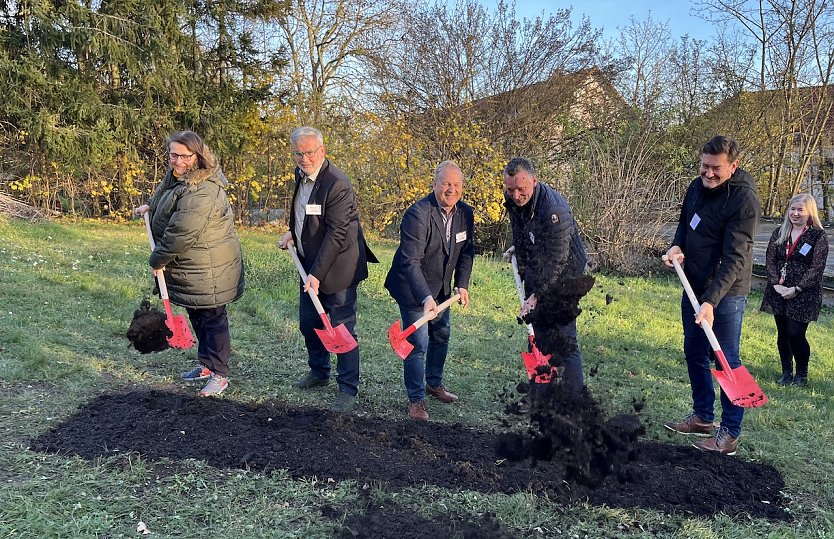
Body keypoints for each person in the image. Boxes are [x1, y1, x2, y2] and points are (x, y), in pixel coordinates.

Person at [663, 135, 761, 455]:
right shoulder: (696, 186)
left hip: (726, 291)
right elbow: (685, 223)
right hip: (693, 283)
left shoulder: (743, 200)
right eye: (704, 166)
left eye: (716, 168)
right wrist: (678, 246)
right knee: (694, 350)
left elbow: (736, 258)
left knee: (725, 358)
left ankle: (730, 433)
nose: (708, 174)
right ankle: (703, 416)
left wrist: (711, 301)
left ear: (733, 166)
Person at [134, 131, 245, 397]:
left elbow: (181, 232)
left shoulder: (203, 189)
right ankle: (207, 366)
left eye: (184, 155)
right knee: (198, 313)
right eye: (174, 154)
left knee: (213, 318)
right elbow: (166, 197)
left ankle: (220, 374)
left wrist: (158, 259)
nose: (178, 160)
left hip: (210, 266)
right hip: (192, 264)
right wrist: (149, 205)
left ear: (198, 155)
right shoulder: (177, 177)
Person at [278, 126, 376, 414]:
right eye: (298, 152)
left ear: (322, 151)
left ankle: (348, 388)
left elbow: (336, 234)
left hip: (338, 268)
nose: (304, 158)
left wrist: (317, 274)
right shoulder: (301, 176)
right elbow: (304, 214)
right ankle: (319, 372)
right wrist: (292, 234)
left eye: (309, 152)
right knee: (309, 323)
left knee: (342, 327)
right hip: (309, 263)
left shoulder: (337, 183)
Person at [384, 160, 475, 421]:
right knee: (417, 343)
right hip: (414, 289)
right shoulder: (418, 214)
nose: (451, 189)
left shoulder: (465, 214)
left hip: (442, 289)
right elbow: (410, 261)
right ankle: (416, 401)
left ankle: (434, 384)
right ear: (434, 184)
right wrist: (425, 298)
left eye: (456, 185)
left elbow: (466, 251)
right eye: (446, 183)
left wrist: (463, 283)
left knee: (441, 336)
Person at [502, 157, 588, 401]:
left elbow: (558, 259)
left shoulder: (554, 209)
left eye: (522, 189)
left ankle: (572, 401)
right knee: (536, 335)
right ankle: (537, 394)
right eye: (510, 190)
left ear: (535, 182)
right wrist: (518, 248)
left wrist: (536, 296)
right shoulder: (515, 200)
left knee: (563, 338)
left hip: (566, 273)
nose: (516, 195)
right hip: (541, 268)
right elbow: (521, 230)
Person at [760, 193, 829, 386]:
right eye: (793, 209)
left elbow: (817, 267)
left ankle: (802, 374)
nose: (795, 213)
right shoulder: (779, 232)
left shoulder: (817, 236)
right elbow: (770, 259)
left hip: (803, 293)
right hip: (778, 290)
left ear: (810, 213)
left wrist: (797, 288)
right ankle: (786, 372)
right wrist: (775, 283)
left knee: (795, 333)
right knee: (782, 333)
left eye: (800, 210)